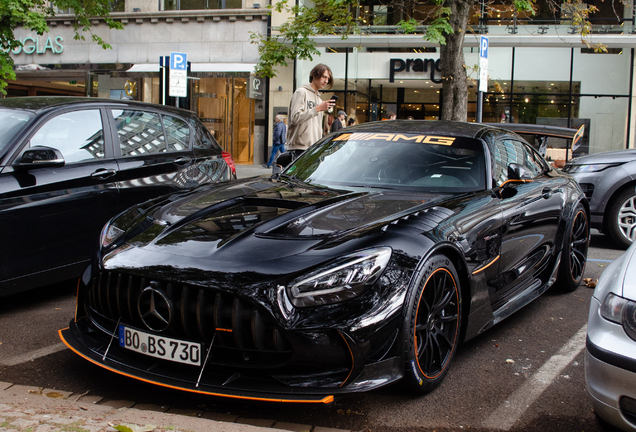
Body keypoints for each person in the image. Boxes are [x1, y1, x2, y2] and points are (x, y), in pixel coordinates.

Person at [286, 63, 335, 157]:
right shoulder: (301, 92)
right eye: (324, 77)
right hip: (299, 147)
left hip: (314, 148)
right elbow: (295, 118)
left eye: (328, 78)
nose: (326, 81)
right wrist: (317, 109)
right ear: (314, 75)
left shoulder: (319, 100)